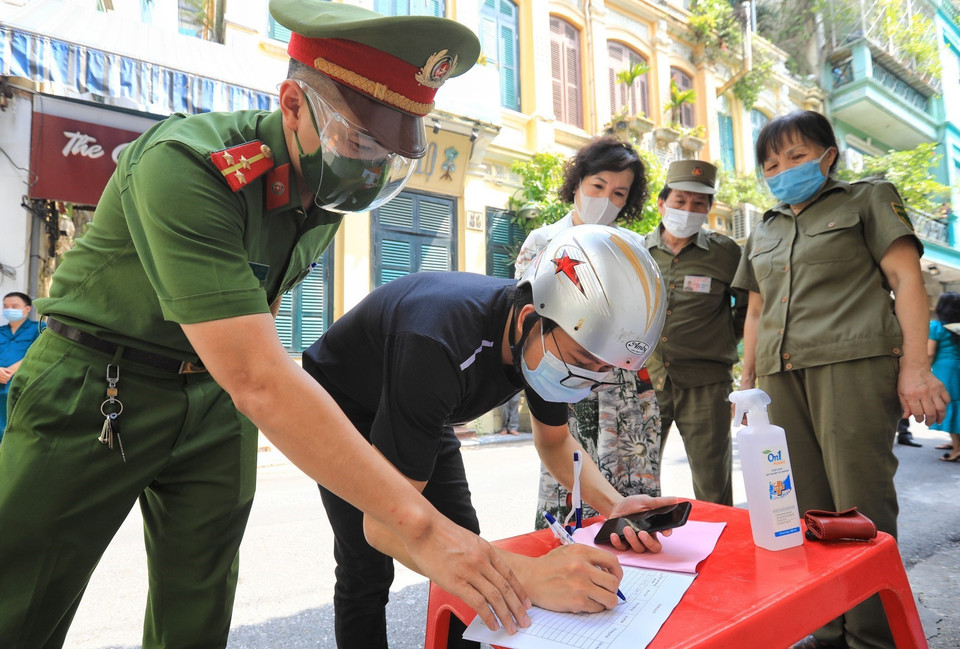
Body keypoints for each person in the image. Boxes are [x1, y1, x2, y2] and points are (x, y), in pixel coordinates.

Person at [0, 3, 534, 647]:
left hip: (214, 400)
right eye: (362, 141)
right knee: (20, 596)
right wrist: (426, 530)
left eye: (392, 152)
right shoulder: (188, 165)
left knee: (198, 607)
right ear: (292, 104)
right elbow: (259, 375)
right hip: (98, 386)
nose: (371, 167)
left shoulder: (325, 191)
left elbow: (259, 323)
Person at [302, 224, 672, 649]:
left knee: (465, 536)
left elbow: (554, 443)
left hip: (420, 403)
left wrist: (614, 504)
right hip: (345, 404)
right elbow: (383, 527)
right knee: (367, 564)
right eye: (583, 363)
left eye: (604, 370)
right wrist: (530, 575)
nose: (588, 381)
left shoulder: (547, 340)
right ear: (531, 320)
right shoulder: (440, 342)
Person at [733, 110, 949, 649]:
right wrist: (746, 380)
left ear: (829, 155)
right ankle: (826, 626)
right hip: (781, 377)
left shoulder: (867, 199)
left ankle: (873, 635)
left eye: (797, 156)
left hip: (851, 365)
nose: (783, 170)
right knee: (799, 506)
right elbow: (755, 312)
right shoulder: (765, 226)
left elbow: (905, 279)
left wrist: (915, 367)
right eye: (771, 163)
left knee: (860, 503)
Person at [512, 137, 663, 530]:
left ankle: (641, 572)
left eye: (619, 193)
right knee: (569, 476)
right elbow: (528, 321)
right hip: (567, 378)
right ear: (578, 182)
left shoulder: (635, 248)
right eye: (598, 186)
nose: (606, 199)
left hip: (623, 388)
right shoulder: (544, 242)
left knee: (630, 477)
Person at [644, 160, 745, 506]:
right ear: (662, 203)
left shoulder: (726, 253)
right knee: (638, 477)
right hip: (647, 380)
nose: (688, 210)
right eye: (680, 201)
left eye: (699, 203)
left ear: (709, 208)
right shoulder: (638, 251)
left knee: (713, 482)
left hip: (707, 383)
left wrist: (717, 339)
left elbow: (748, 307)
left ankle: (721, 553)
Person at [0, 292, 41, 439]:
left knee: (20, 429)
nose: (9, 309)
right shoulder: (0, 331)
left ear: (27, 309)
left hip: (23, 387)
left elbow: (39, 353)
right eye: (5, 306)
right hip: (0, 390)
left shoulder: (39, 328)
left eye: (14, 306)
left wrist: (9, 372)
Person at [928, 292, 960, 462]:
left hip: (945, 369)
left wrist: (925, 372)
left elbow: (929, 352)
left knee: (951, 405)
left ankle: (956, 450)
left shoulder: (936, 327)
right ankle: (953, 442)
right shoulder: (958, 327)